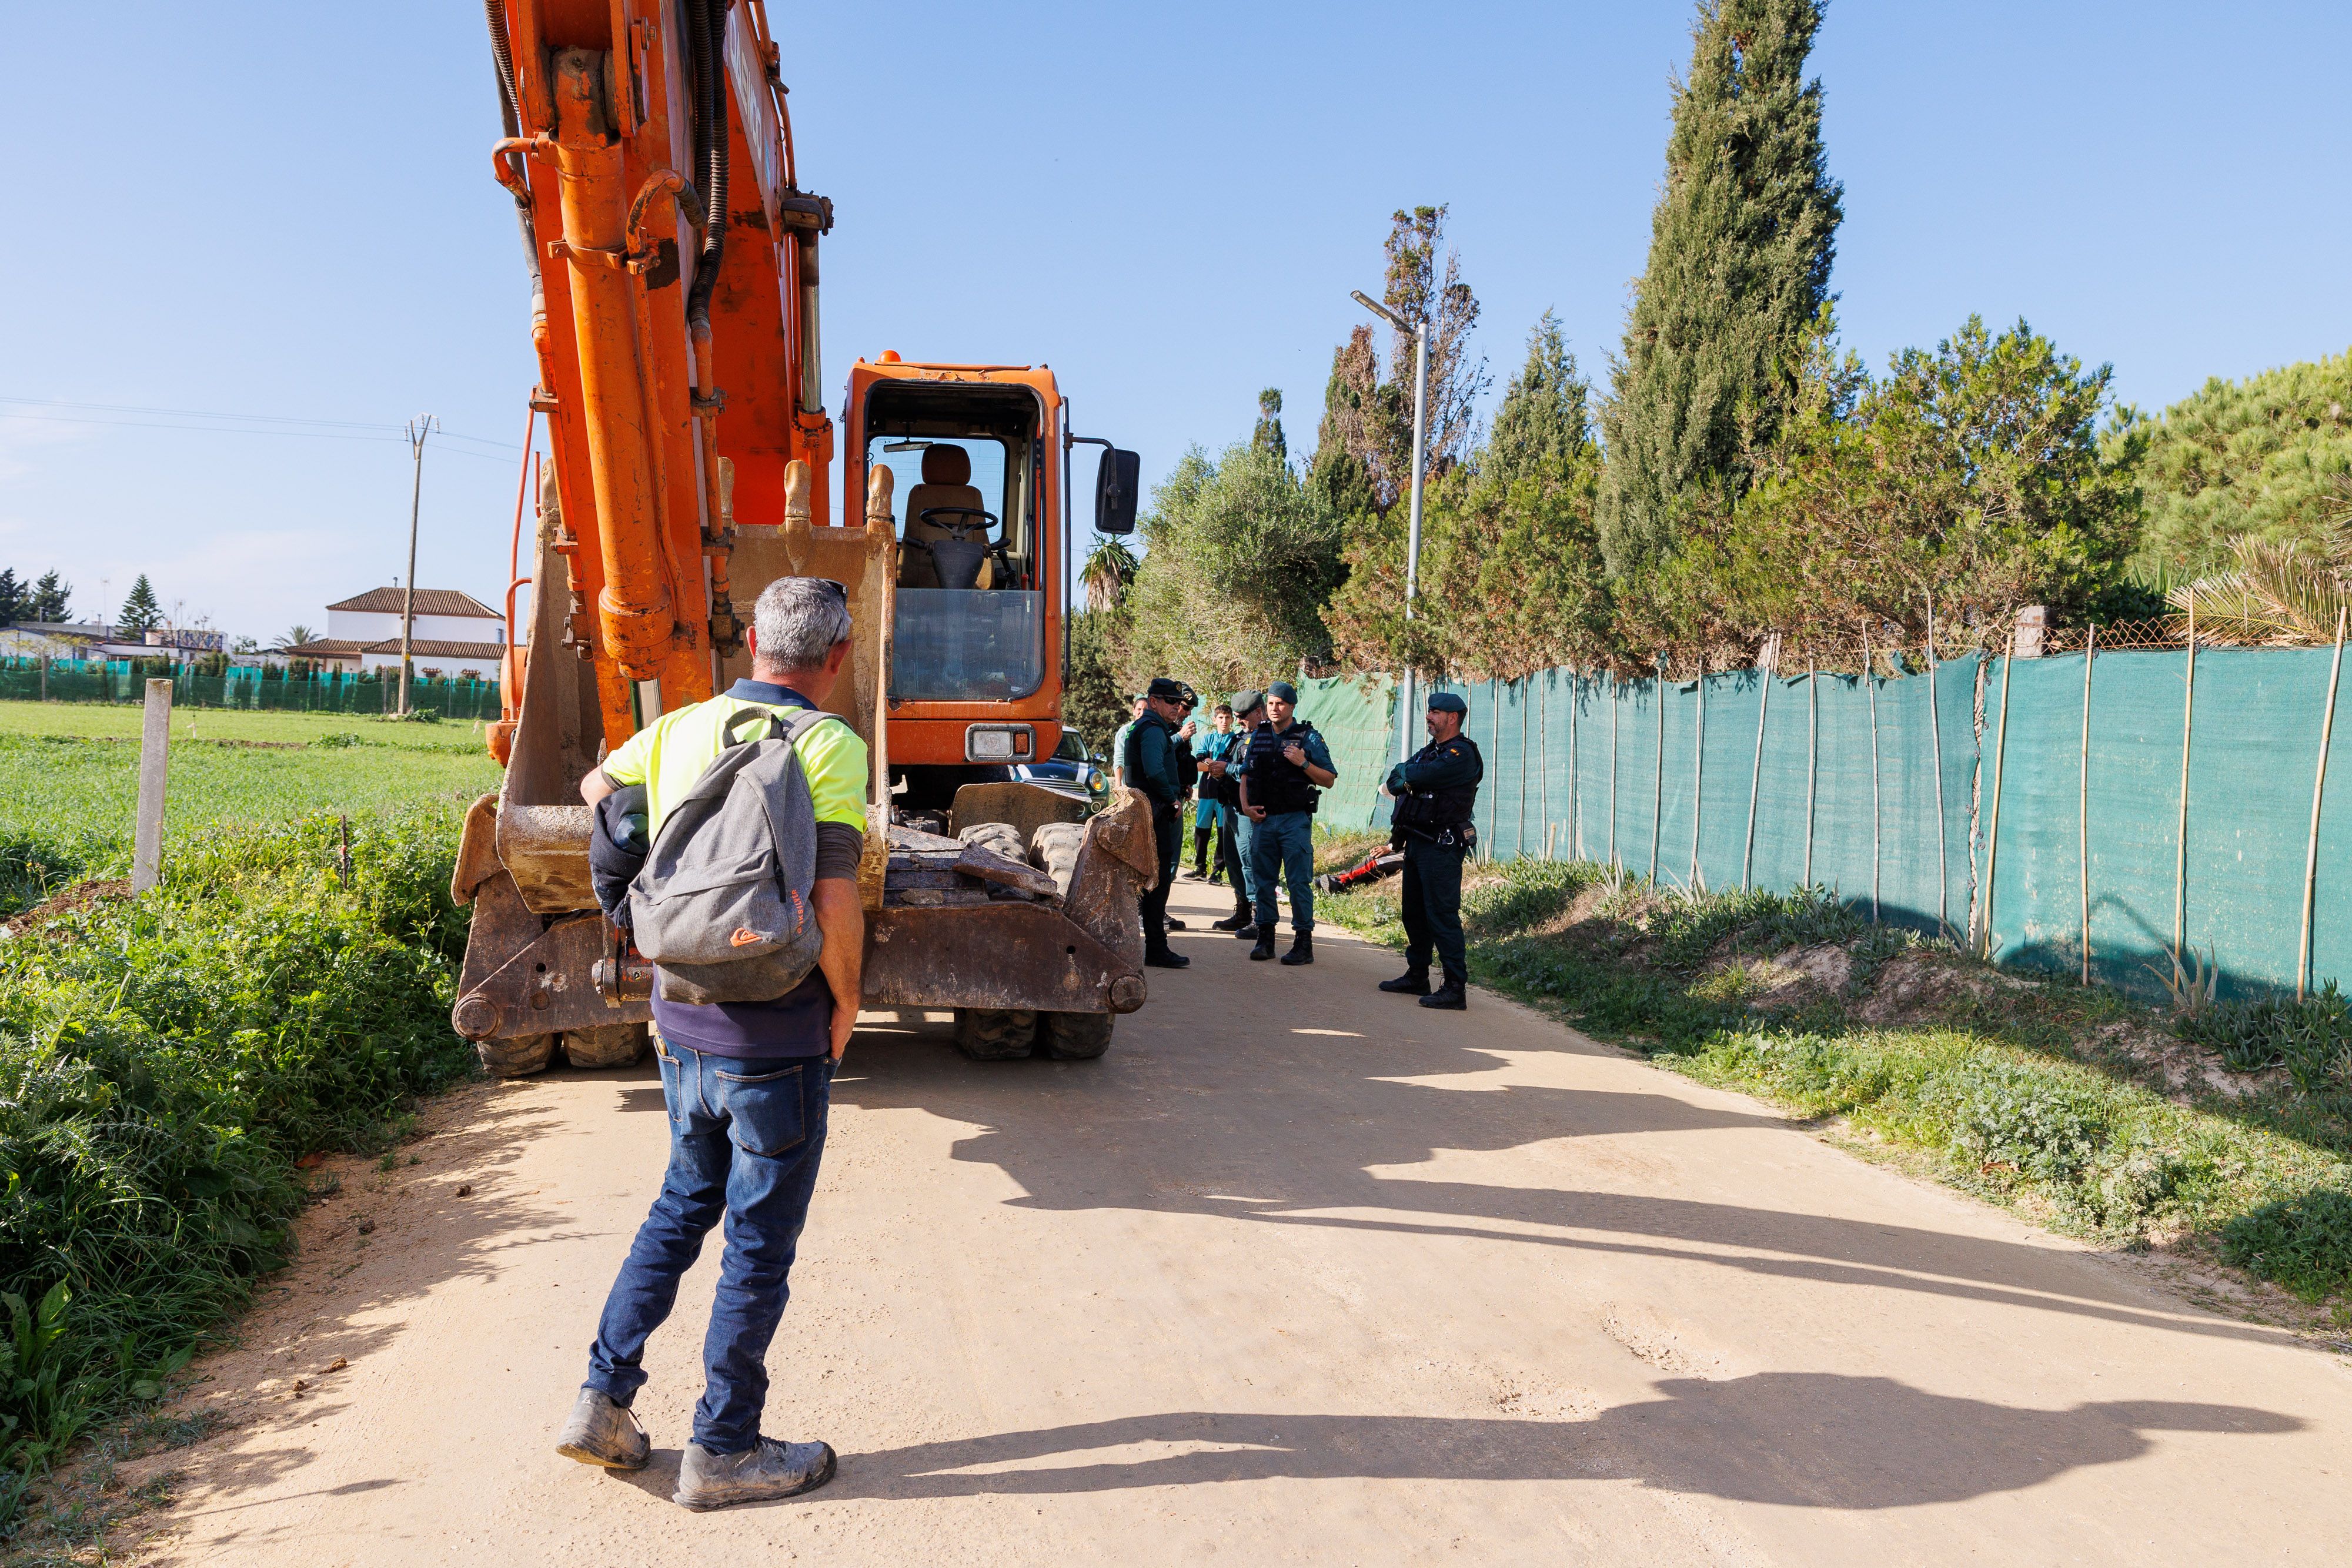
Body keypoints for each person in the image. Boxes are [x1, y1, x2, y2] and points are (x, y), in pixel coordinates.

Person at [556, 576, 866, 1511]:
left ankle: (602, 1403)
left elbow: (596, 788)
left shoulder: (687, 725)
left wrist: (624, 901)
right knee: (757, 1247)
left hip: (679, 1022)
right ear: (838, 656)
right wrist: (846, 1001)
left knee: (679, 1207)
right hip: (776, 1028)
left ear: (754, 646)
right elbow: (834, 895)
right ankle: (723, 1448)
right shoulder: (827, 743)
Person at [1379, 690, 1485, 1011]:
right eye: (1428, 711)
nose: (1429, 716)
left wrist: (1409, 776)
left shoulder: (1462, 755)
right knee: (1413, 914)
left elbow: (1414, 775)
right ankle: (1417, 975)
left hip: (1442, 847)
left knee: (1442, 915)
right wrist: (1408, 777)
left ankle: (1455, 987)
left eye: (1435, 712)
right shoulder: (1430, 751)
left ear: (1452, 718)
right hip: (1417, 843)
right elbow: (1396, 782)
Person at [1235, 679, 1337, 965]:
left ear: (1291, 706)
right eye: (1270, 703)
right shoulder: (1259, 735)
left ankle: (1303, 943)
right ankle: (1265, 939)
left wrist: (1303, 763)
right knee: (1264, 882)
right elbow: (1245, 775)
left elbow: (1328, 779)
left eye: (1280, 703)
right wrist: (1245, 807)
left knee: (1298, 882)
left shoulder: (1308, 737)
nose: (1275, 708)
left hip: (1294, 821)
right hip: (1263, 821)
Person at [1122, 676, 1194, 969]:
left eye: (1179, 702)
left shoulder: (1146, 727)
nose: (1177, 707)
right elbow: (1153, 771)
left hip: (1148, 809)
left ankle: (1153, 945)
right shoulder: (1153, 729)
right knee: (1158, 881)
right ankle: (1156, 947)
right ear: (1154, 702)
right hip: (1156, 811)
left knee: (1150, 880)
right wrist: (1172, 799)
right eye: (1171, 702)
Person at [1203, 691, 1262, 932]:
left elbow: (1253, 773)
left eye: (1242, 717)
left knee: (1249, 862)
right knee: (1233, 861)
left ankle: (1260, 917)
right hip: (1230, 806)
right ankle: (1242, 910)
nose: (1237, 721)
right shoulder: (1240, 737)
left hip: (1246, 809)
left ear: (1258, 712)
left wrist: (1226, 769)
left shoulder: (1264, 738)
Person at [1190, 703, 1236, 880]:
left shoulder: (1236, 740)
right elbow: (1199, 763)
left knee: (1223, 832)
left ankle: (1218, 871)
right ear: (1214, 719)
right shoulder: (1207, 739)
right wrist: (1217, 766)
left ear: (1232, 720)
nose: (1224, 721)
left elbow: (1232, 765)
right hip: (1207, 792)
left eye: (1227, 718)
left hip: (1225, 794)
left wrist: (1212, 764)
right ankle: (1200, 868)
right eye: (1221, 718)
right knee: (1202, 830)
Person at [1107, 693, 1147, 791]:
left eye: (1146, 710)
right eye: (1139, 709)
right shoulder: (1125, 732)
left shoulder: (1153, 731)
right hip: (1131, 786)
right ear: (1133, 711)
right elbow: (1119, 759)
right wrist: (1118, 786)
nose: (1142, 713)